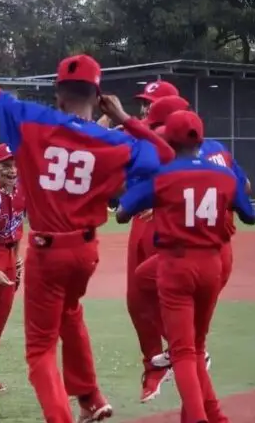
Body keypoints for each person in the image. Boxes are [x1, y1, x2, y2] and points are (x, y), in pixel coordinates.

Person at [0, 40, 161, 422]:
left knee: (39, 350)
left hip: (46, 250)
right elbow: (164, 159)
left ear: (57, 93)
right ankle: (90, 396)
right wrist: (125, 119)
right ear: (99, 95)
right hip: (85, 252)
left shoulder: (33, 119)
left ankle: (62, 416)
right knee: (70, 312)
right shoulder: (116, 141)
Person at [116, 110, 255, 423]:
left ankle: (197, 418)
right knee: (195, 345)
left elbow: (122, 211)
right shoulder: (223, 174)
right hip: (211, 263)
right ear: (201, 140)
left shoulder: (165, 175)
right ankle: (214, 416)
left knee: (182, 351)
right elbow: (250, 215)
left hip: (176, 263)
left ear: (169, 139)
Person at [99, 94, 190, 401]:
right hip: (141, 219)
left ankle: (184, 350)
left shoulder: (171, 139)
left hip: (166, 225)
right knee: (137, 298)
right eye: (144, 102)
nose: (146, 107)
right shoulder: (142, 132)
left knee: (164, 293)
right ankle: (156, 364)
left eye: (152, 102)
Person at [0, 142, 25, 392]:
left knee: (0, 317)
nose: (12, 170)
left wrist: (18, 259)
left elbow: (18, 227)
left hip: (9, 257)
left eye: (14, 165)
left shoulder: (21, 191)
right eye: (6, 166)